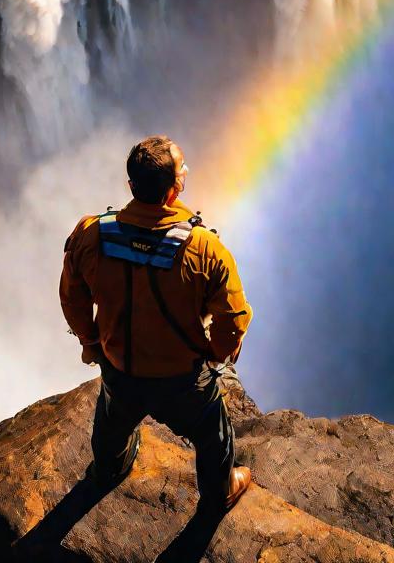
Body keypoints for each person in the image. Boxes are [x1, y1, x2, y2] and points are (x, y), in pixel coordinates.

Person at [60, 135, 253, 515]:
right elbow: (234, 320)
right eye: (182, 171)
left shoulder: (91, 235)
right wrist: (215, 355)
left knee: (112, 418)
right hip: (182, 381)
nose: (185, 174)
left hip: (120, 367)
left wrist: (91, 343)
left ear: (131, 186)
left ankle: (109, 468)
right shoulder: (205, 249)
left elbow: (72, 297)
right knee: (213, 431)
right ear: (172, 191)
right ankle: (220, 490)